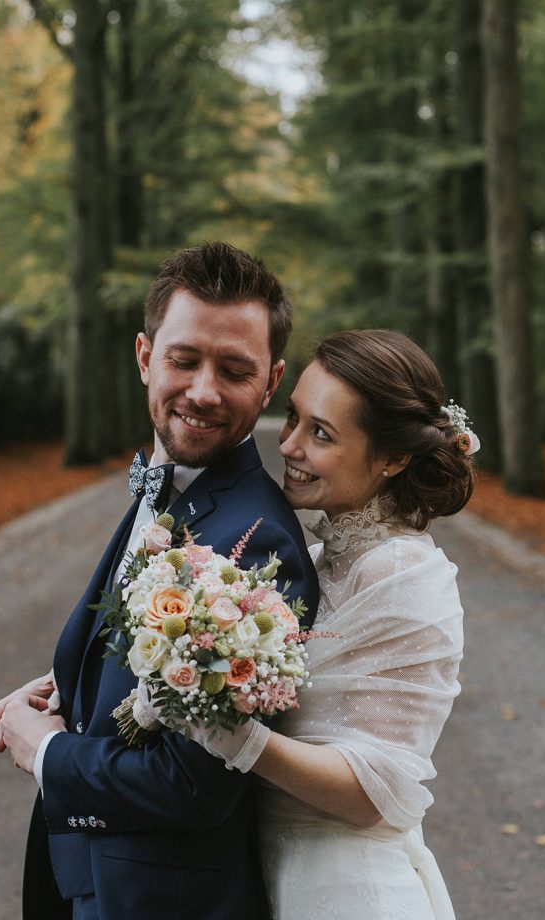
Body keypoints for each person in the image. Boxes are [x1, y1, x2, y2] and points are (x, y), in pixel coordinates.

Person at [0, 242, 319, 920]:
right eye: (183, 359)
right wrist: (68, 682)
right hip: (96, 884)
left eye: (233, 369)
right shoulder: (163, 487)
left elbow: (197, 785)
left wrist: (47, 750)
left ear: (270, 382)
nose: (202, 390)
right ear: (145, 357)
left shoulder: (260, 545)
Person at [186, 329, 476, 919]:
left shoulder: (404, 574)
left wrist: (230, 736)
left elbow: (375, 792)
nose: (288, 445)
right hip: (274, 877)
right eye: (292, 419)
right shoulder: (320, 560)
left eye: (320, 433)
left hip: (351, 893)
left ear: (393, 458)